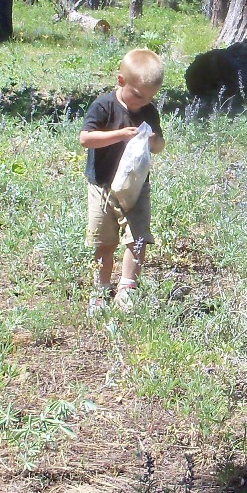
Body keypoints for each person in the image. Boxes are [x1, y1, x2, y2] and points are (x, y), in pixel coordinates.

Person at [79, 48, 165, 314]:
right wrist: (119, 135)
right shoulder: (104, 106)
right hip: (103, 185)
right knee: (104, 240)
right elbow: (86, 138)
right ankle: (101, 288)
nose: (143, 102)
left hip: (136, 186)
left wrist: (153, 141)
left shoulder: (149, 111)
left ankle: (127, 289)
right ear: (121, 81)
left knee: (137, 237)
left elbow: (160, 145)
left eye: (150, 97)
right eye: (138, 95)